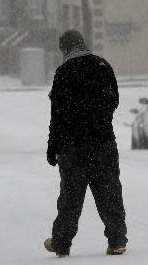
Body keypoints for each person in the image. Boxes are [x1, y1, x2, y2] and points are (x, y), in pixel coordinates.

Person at [44, 29, 128, 258]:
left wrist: (53, 148)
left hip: (72, 146)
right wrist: (98, 120)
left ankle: (61, 243)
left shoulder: (63, 73)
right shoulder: (102, 67)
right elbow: (114, 100)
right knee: (109, 192)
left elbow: (57, 115)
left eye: (62, 49)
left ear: (66, 48)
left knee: (71, 196)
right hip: (102, 143)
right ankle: (117, 240)